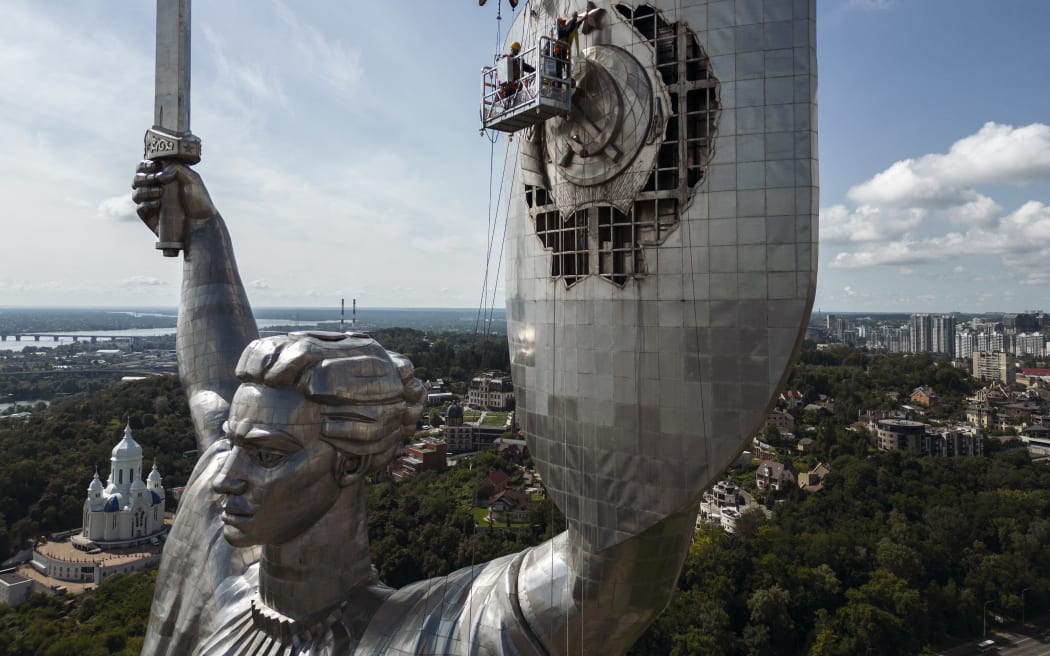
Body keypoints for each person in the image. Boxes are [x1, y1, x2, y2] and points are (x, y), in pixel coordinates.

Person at [132, 161, 699, 654]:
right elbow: (211, 384)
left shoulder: (427, 637)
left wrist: (648, 269)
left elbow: (616, 576)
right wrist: (202, 232)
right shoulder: (219, 579)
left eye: (267, 457)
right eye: (235, 446)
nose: (224, 477)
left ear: (350, 463)